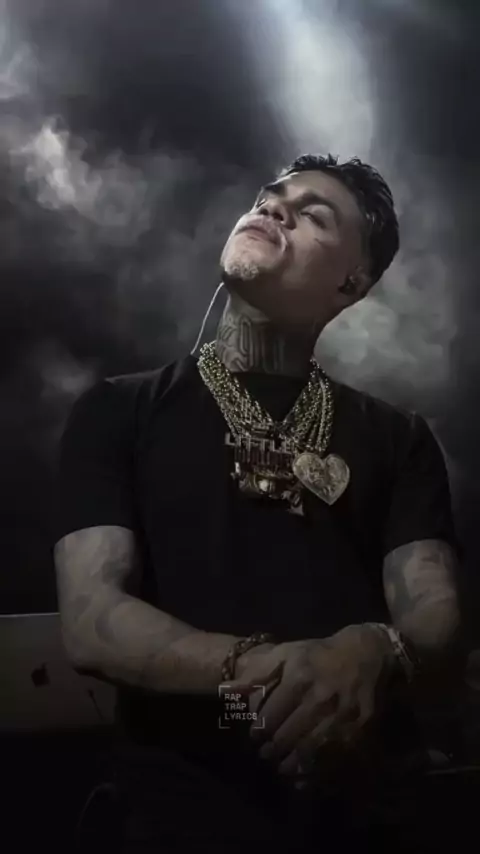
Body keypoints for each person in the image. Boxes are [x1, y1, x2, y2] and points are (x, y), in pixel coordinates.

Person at [54, 153, 462, 852]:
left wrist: (370, 649)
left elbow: (436, 614)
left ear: (352, 281)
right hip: (179, 808)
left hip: (363, 810)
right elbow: (92, 619)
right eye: (270, 197)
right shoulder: (119, 411)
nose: (274, 209)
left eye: (312, 215)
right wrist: (282, 676)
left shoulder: (398, 438)